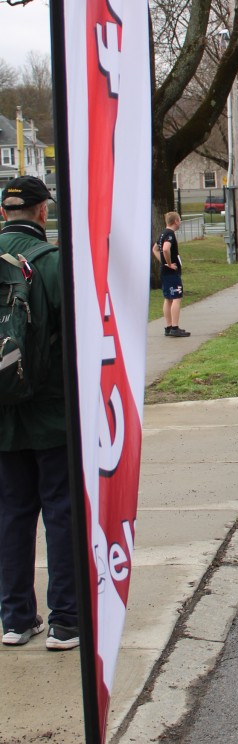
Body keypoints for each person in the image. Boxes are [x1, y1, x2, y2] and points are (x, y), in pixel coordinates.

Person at [0, 175, 79, 650]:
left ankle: (15, 618)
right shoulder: (53, 263)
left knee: (12, 514)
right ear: (43, 212)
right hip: (52, 413)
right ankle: (65, 621)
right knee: (61, 512)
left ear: (4, 213)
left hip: (3, 416)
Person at [155, 211, 191, 338]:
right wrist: (169, 264)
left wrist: (163, 262)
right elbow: (165, 249)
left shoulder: (162, 233)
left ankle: (168, 327)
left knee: (168, 298)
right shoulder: (169, 234)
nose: (180, 222)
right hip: (171, 272)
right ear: (175, 221)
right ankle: (175, 327)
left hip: (164, 272)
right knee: (176, 298)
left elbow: (155, 249)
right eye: (179, 220)